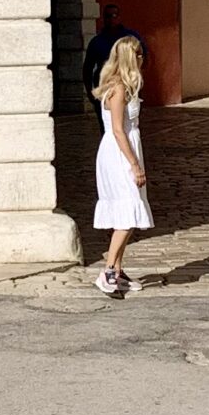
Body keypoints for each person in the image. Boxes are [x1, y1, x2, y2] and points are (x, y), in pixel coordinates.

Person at [91, 34, 152, 296]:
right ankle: (107, 270)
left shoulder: (128, 87)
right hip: (118, 154)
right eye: (137, 54)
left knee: (126, 210)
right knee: (127, 213)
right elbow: (118, 130)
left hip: (126, 149)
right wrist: (134, 164)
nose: (142, 59)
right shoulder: (117, 88)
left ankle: (117, 269)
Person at [81, 4, 127, 102]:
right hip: (103, 87)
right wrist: (89, 91)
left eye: (114, 16)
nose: (111, 19)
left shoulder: (130, 38)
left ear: (119, 17)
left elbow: (143, 58)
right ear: (103, 18)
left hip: (127, 85)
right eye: (108, 16)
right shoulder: (96, 42)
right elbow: (88, 67)